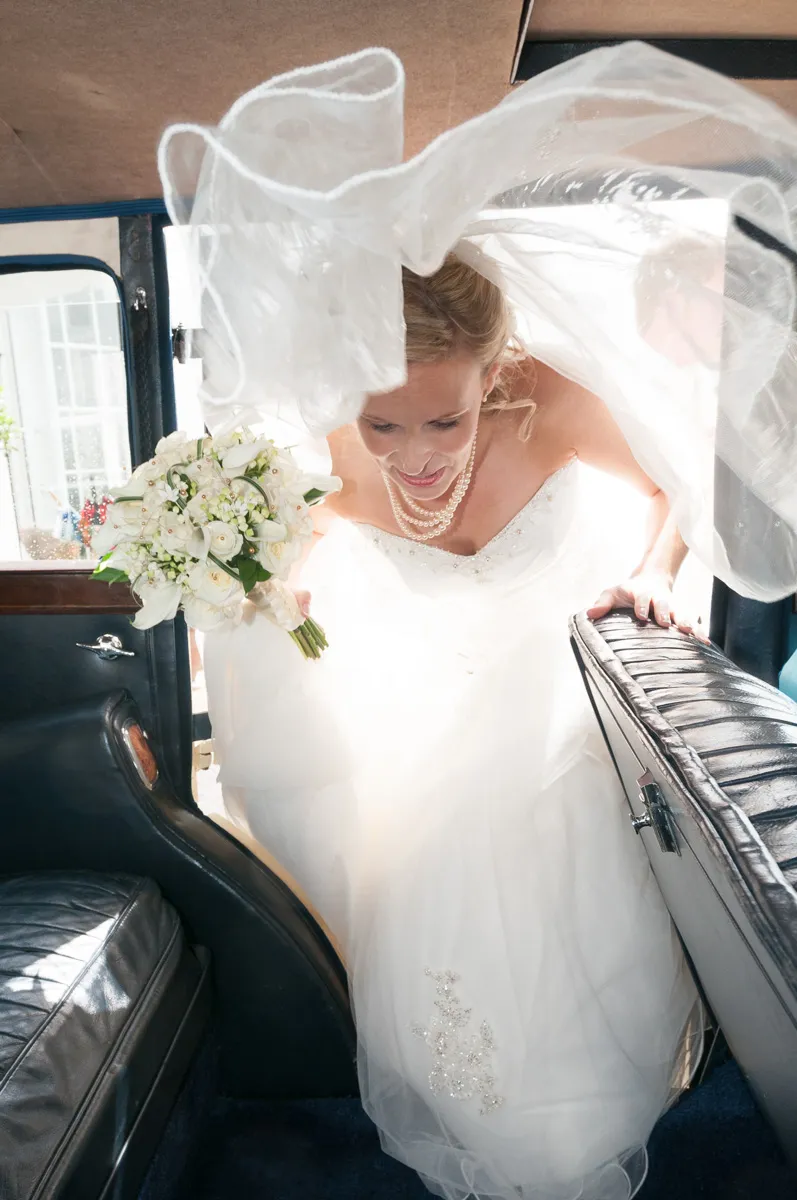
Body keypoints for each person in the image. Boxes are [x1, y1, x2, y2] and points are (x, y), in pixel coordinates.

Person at [204, 254, 705, 1200]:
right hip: (415, 702)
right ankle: (487, 1110)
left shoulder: (555, 403)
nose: (416, 453)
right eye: (380, 423)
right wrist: (272, 594)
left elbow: (672, 484)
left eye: (447, 418)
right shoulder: (314, 457)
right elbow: (280, 566)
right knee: (434, 873)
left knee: (547, 827)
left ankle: (579, 1117)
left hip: (560, 693)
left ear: (495, 371)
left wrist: (653, 572)